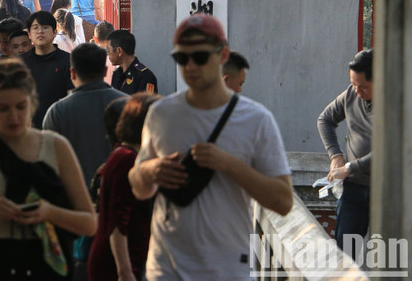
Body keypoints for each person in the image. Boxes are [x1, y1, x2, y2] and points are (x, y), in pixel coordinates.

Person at [128, 14, 292, 280]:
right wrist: (151, 170)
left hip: (226, 268)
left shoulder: (256, 120)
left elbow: (283, 201)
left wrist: (229, 164)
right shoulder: (161, 113)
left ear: (222, 54)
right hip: (166, 266)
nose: (190, 66)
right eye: (182, 58)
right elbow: (137, 185)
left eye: (200, 57)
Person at [0, 58, 97, 281]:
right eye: (3, 108)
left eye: (20, 107)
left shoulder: (55, 146)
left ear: (32, 104)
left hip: (45, 269)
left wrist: (49, 212)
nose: (13, 116)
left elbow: (89, 223)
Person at [88, 93, 159, 281]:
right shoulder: (127, 158)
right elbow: (117, 220)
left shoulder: (127, 155)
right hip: (118, 264)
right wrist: (125, 271)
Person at [42, 42, 128, 185]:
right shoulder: (129, 105)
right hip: (120, 194)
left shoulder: (57, 112)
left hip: (74, 198)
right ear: (106, 71)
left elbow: (49, 164)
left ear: (72, 73)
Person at [316, 48, 373, 257]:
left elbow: (387, 151)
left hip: (386, 190)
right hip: (353, 189)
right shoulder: (351, 94)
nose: (357, 91)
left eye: (363, 86)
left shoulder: (396, 104)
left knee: (391, 254)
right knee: (344, 255)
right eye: (353, 84)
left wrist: (349, 167)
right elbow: (325, 120)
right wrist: (335, 155)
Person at [21, 11, 73, 128]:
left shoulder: (67, 61)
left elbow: (71, 97)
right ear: (29, 34)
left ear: (55, 32)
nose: (40, 31)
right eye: (35, 28)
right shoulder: (20, 62)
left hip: (58, 126)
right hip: (27, 128)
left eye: (45, 27)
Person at [107, 30, 158, 95]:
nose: (108, 54)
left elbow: (146, 103)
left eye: (108, 50)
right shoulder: (117, 74)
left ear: (119, 51)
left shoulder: (145, 77)